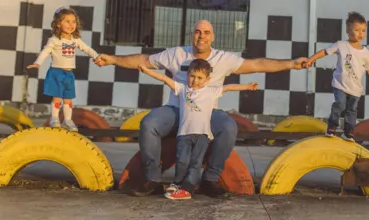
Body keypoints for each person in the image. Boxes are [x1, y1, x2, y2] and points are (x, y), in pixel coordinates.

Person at [94, 20, 308, 197]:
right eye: (197, 32)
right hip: (176, 111)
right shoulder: (177, 54)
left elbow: (258, 64)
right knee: (149, 123)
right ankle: (152, 179)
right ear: (192, 35)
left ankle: (210, 180)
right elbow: (143, 60)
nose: (201, 36)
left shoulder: (224, 59)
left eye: (206, 32)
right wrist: (112, 59)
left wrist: (291, 64)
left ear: (212, 37)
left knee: (229, 127)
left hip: (207, 114)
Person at [138, 59, 258, 200]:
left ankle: (188, 188)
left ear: (207, 79)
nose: (195, 81)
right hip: (184, 133)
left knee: (195, 161)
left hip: (202, 135)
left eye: (200, 78)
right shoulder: (182, 89)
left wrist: (248, 86)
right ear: (187, 75)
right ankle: (178, 183)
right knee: (181, 160)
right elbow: (164, 78)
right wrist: (146, 71)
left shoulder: (211, 91)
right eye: (192, 76)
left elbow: (229, 87)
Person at [303, 12, 369, 142]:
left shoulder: (367, 53)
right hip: (340, 84)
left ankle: (348, 132)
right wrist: (311, 59)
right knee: (340, 104)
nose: (360, 33)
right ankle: (332, 127)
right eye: (357, 30)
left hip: (356, 89)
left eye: (363, 30)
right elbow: (324, 52)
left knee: (352, 110)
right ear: (348, 30)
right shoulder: (341, 45)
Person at [28, 7, 99, 131]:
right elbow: (46, 51)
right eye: (67, 21)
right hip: (56, 72)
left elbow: (87, 49)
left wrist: (97, 57)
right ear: (58, 24)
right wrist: (38, 62)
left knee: (68, 99)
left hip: (69, 73)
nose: (71, 25)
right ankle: (54, 119)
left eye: (74, 22)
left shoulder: (75, 40)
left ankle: (67, 120)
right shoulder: (54, 40)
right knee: (57, 98)